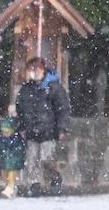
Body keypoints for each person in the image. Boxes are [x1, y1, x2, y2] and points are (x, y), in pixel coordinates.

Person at [14, 57, 69, 196]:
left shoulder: (54, 87)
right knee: (31, 160)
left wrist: (61, 128)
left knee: (46, 159)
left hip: (48, 131)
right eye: (31, 69)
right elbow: (20, 110)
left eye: (37, 68)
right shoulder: (26, 89)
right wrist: (22, 127)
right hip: (31, 131)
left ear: (43, 69)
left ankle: (55, 178)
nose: (35, 72)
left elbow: (62, 109)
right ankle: (35, 185)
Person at [0, 115, 27, 198]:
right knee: (4, 175)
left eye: (7, 132)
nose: (5, 133)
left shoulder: (17, 140)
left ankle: (10, 188)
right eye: (4, 132)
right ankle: (9, 187)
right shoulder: (1, 140)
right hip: (4, 162)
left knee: (12, 174)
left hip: (13, 162)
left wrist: (13, 158)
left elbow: (19, 151)